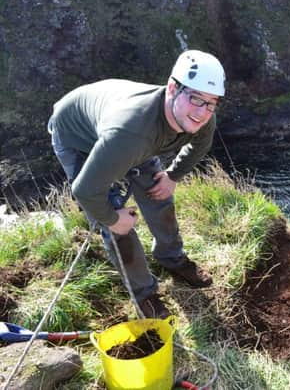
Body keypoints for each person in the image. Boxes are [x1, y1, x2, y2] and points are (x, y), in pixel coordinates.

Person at [48, 50, 225, 319]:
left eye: (211, 103)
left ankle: (171, 257)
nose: (202, 112)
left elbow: (200, 146)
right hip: (77, 138)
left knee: (158, 191)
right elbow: (85, 190)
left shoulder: (202, 118)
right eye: (196, 99)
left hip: (124, 134)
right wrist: (111, 218)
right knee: (117, 228)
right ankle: (144, 294)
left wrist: (173, 176)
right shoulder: (130, 132)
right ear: (173, 88)